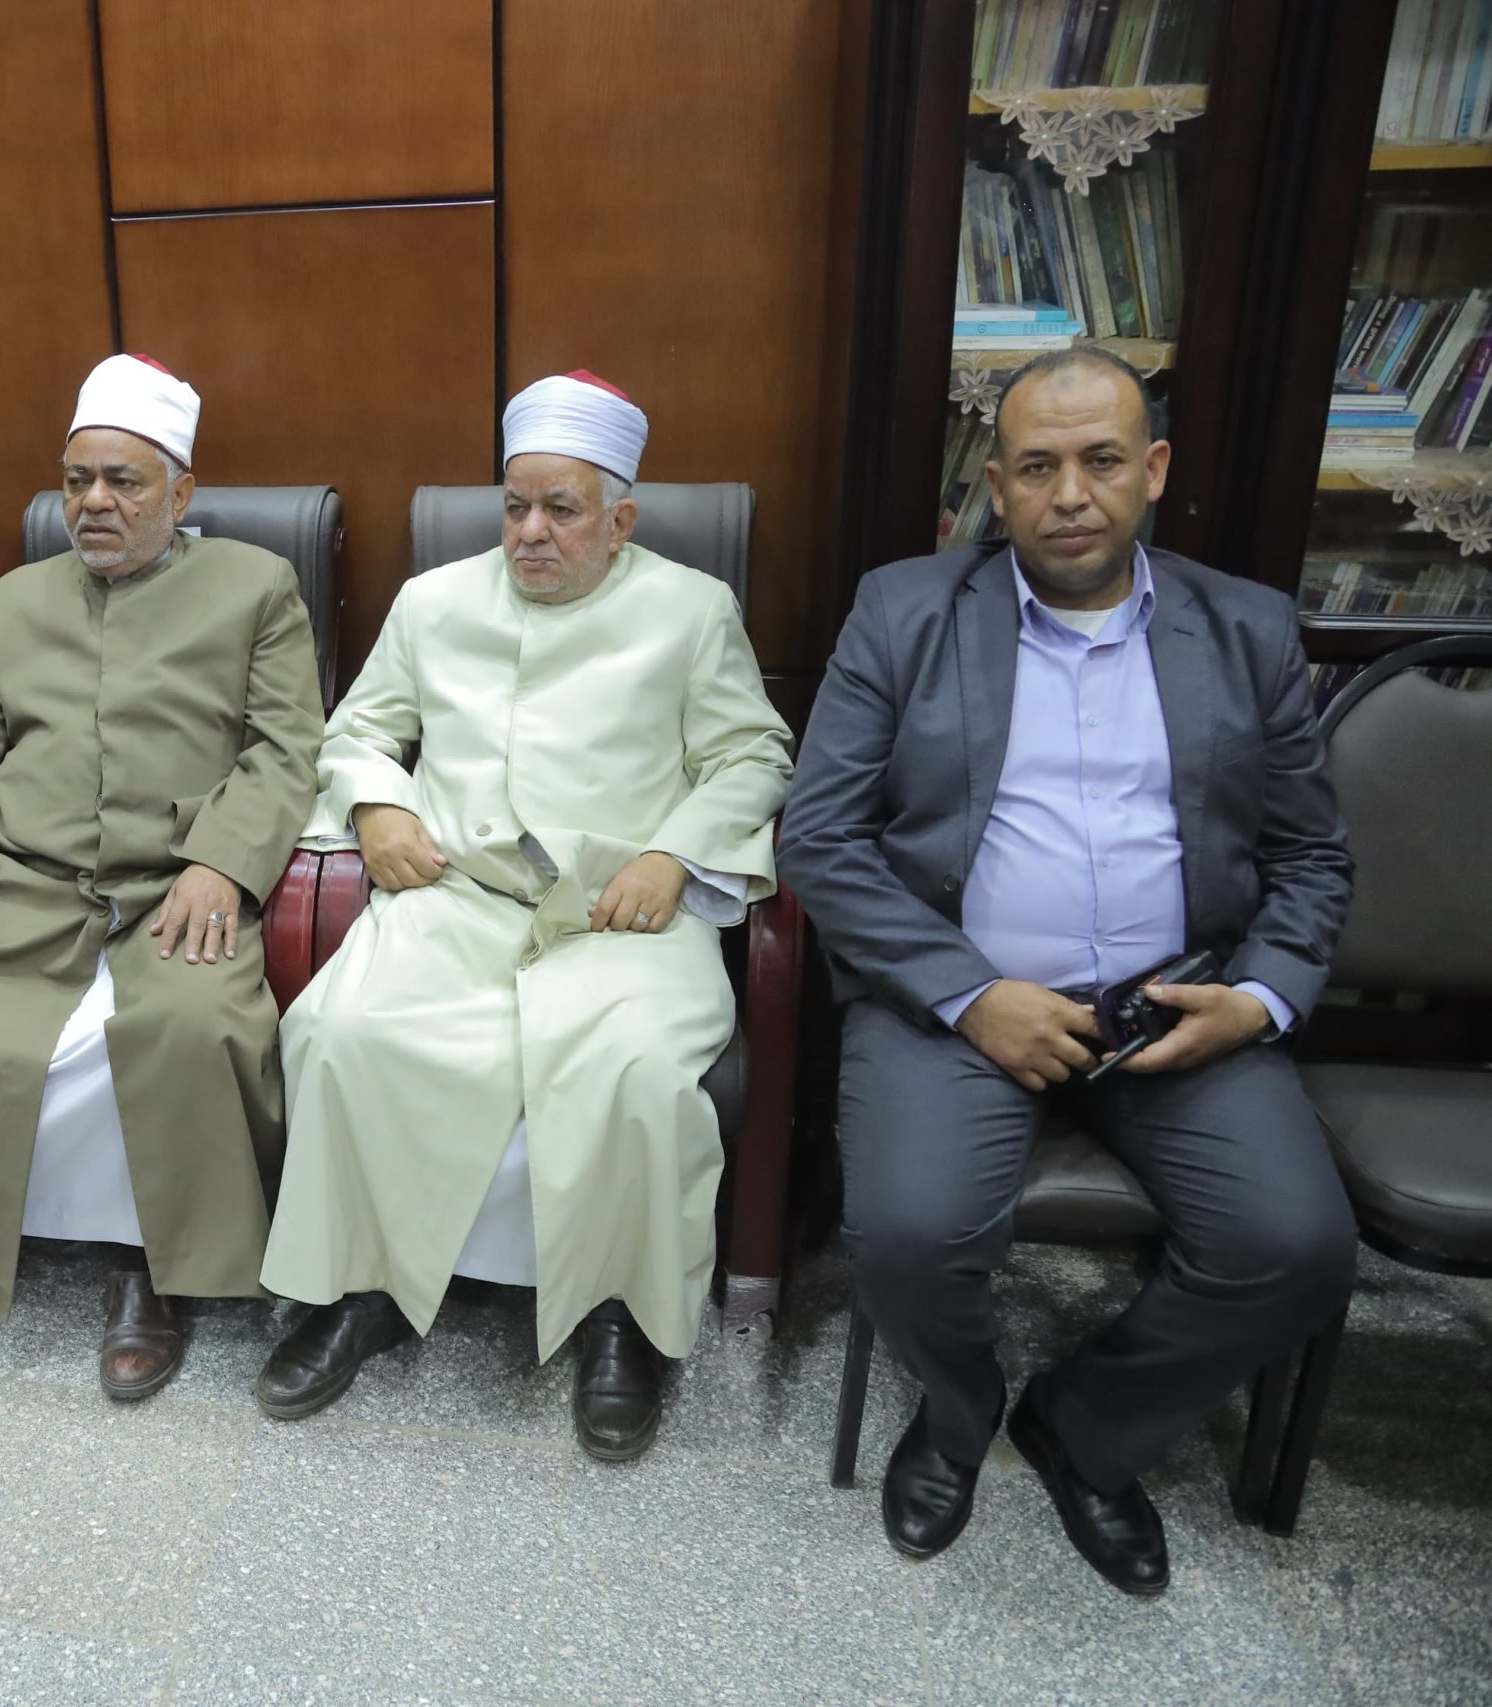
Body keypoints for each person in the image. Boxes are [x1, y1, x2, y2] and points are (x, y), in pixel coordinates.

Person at [779, 346, 1357, 1594]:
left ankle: (1086, 1429)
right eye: (1036, 468)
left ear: (1153, 469)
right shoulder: (905, 611)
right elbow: (818, 839)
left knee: (1296, 1247)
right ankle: (957, 1416)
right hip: (958, 999)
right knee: (905, 1237)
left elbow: (1309, 856)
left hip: (1176, 1004)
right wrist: (970, 995)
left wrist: (1255, 998)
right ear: (995, 488)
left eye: (1101, 461)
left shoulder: (1244, 627)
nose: (1070, 495)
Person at [254, 371, 794, 1458]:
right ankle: (356, 1289)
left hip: (617, 911)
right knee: (339, 1029)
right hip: (458, 893)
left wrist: (672, 854)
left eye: (562, 509)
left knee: (638, 1073)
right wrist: (377, 805)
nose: (531, 532)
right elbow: (357, 731)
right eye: (514, 506)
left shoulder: (691, 609)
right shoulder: (434, 602)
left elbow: (752, 754)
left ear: (620, 520)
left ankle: (620, 1322)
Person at [0, 353, 323, 1398]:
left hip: (173, 888)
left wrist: (223, 866)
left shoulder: (256, 587)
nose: (93, 502)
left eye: (123, 482)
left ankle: (154, 1270)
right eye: (77, 481)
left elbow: (285, 750)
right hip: (25, 882)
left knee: (194, 1024)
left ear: (180, 494)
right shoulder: (13, 600)